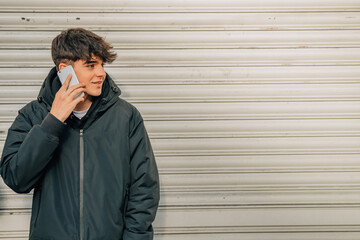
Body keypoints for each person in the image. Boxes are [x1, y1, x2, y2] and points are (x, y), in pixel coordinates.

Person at [0, 28, 160, 240]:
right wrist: (53, 122)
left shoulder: (126, 117)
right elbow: (16, 178)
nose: (101, 73)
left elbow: (145, 189)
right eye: (91, 65)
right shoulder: (33, 116)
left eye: (102, 64)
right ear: (65, 70)